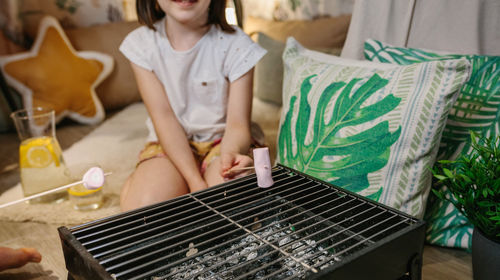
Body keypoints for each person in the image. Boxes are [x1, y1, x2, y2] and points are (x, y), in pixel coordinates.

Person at [119, 0, 266, 211]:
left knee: (229, 204)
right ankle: (139, 183)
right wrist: (194, 181)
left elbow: (237, 125)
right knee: (143, 211)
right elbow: (164, 118)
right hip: (169, 143)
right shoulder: (141, 43)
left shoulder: (238, 45)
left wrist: (230, 154)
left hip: (223, 142)